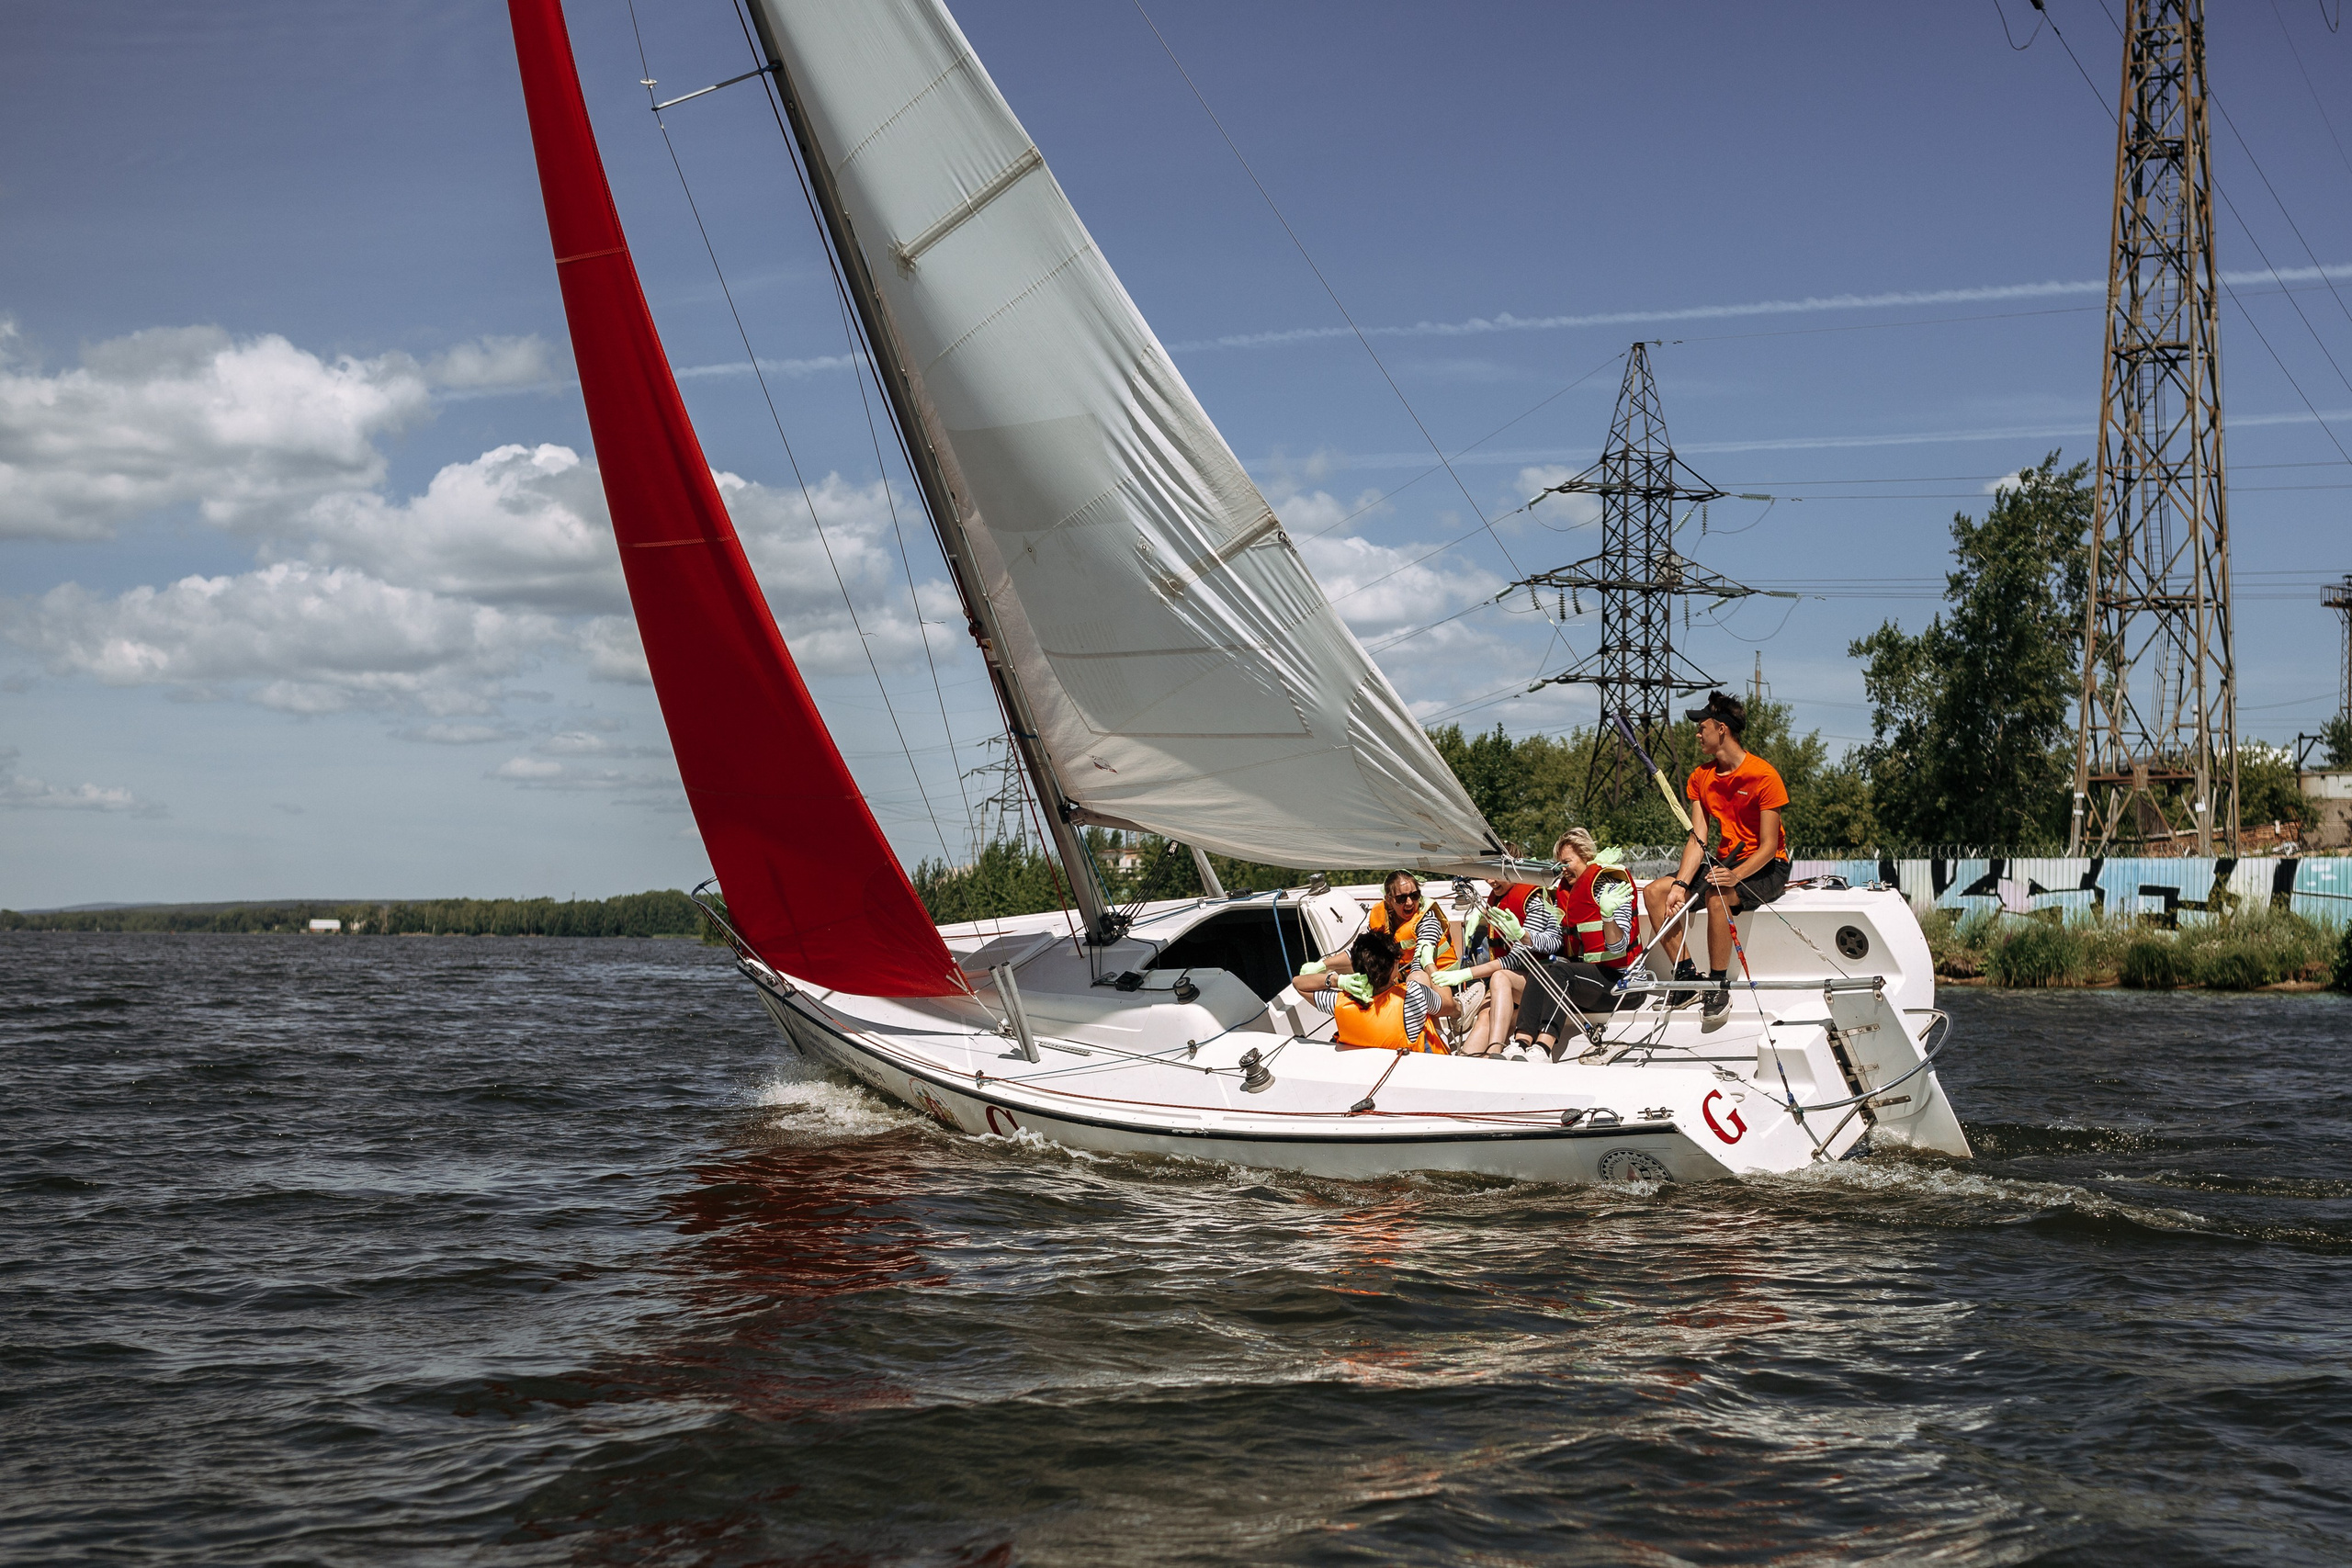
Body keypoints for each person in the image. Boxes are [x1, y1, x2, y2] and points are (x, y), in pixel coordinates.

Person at [1642, 690, 1791, 1026]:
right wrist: (1679, 884)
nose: (1697, 733)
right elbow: (1698, 838)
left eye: (1702, 727)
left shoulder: (1764, 776)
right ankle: (1686, 979)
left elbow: (1768, 847)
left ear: (1721, 729)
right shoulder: (1700, 776)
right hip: (1723, 862)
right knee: (1655, 892)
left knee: (1717, 896)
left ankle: (1719, 985)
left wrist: (1737, 876)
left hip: (1766, 866)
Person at [1438, 829, 1634, 1059]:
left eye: (1567, 862)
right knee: (1491, 1007)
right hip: (1575, 977)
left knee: (1552, 972)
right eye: (1559, 864)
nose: (1562, 869)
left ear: (1586, 855)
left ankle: (1541, 1048)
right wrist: (1523, 935)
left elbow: (1619, 948)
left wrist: (1608, 916)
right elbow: (1556, 940)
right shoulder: (1566, 894)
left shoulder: (1611, 889)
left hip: (1619, 982)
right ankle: (1501, 1051)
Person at [1295, 929, 1458, 1052]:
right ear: (1394, 967)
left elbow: (1298, 983)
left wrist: (1338, 980)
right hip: (1410, 1067)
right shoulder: (1414, 995)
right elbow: (1448, 1005)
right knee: (1420, 979)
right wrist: (1429, 963)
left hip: (1369, 1068)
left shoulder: (1338, 1002)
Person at [1320, 871, 1459, 984]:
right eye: (1401, 899)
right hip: (1407, 980)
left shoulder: (1427, 920)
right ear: (1389, 900)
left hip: (1443, 982)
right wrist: (1323, 965)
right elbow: (1363, 951)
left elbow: (1421, 960)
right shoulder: (1381, 918)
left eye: (1414, 895)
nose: (1410, 902)